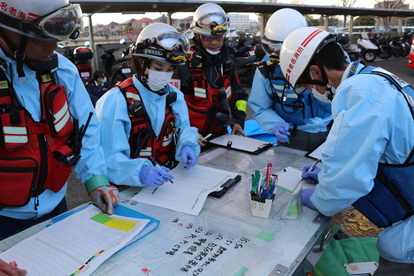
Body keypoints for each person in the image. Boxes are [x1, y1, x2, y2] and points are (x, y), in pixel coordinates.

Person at [279, 26, 414, 275]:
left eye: (308, 86)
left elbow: (348, 180)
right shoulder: (376, 77)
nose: (312, 93)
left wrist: (321, 198)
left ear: (316, 71)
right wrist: (326, 173)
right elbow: (373, 151)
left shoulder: (360, 93)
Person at [0, 0, 121, 274]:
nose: (53, 47)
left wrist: (97, 182)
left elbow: (86, 132)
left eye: (57, 38)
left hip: (57, 210)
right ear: (9, 30)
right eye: (42, 38)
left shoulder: (62, 70)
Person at [95, 23, 200, 188]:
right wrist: (140, 172)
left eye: (170, 69)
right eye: (159, 67)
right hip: (127, 188)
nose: (164, 75)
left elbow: (184, 128)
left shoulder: (174, 96)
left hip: (168, 184)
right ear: (141, 62)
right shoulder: (115, 100)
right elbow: (106, 156)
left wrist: (187, 144)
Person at [248, 8, 332, 152]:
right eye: (275, 49)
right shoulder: (266, 68)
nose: (282, 56)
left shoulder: (328, 61)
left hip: (332, 133)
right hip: (291, 136)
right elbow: (260, 106)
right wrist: (275, 124)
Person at [171, 3, 249, 148]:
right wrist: (186, 133)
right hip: (191, 140)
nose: (214, 42)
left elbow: (240, 97)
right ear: (197, 35)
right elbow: (169, 105)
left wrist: (238, 121)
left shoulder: (226, 63)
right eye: (208, 38)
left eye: (219, 38)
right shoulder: (182, 63)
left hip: (222, 136)